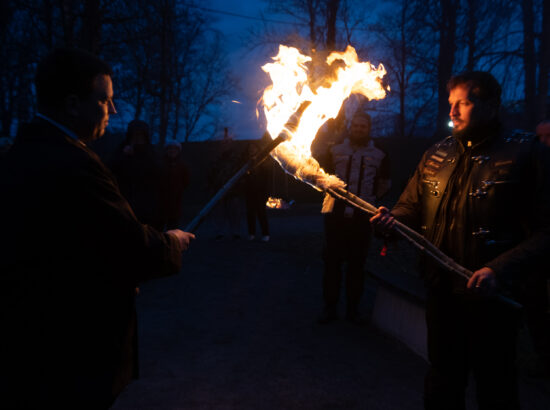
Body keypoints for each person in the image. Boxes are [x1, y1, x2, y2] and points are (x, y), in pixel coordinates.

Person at [0, 48, 194, 409]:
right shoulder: (72, 163)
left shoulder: (23, 154)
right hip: (67, 349)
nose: (113, 110)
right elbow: (129, 247)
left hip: (31, 344)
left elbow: (76, 245)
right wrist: (170, 241)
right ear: (73, 104)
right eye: (105, 100)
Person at [370, 71, 550, 409]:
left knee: (495, 386)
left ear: (491, 106)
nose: (452, 112)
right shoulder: (436, 154)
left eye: (464, 103)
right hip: (442, 292)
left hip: (494, 299)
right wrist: (389, 221)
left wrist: (499, 270)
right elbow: (408, 207)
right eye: (451, 103)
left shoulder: (527, 153)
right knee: (442, 381)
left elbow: (547, 230)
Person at [317, 109, 391, 324]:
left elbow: (385, 184)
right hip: (335, 215)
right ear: (351, 127)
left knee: (357, 265)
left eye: (363, 126)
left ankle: (352, 310)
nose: (359, 129)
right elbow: (322, 177)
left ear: (369, 129)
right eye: (356, 125)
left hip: (363, 218)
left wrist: (368, 200)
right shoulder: (334, 149)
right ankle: (329, 308)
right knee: (332, 263)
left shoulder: (380, 153)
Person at [110, 119, 164, 230]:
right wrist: (124, 155)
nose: (138, 138)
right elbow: (110, 169)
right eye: (135, 135)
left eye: (141, 135)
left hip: (147, 202)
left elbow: (159, 171)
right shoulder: (122, 150)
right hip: (126, 200)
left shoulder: (151, 152)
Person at [159, 140, 190, 230]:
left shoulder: (182, 165)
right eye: (170, 149)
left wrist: (178, 190)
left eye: (174, 149)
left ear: (178, 151)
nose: (172, 151)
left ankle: (172, 243)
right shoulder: (160, 164)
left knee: (173, 226)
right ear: (166, 150)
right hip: (161, 201)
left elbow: (186, 181)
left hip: (175, 201)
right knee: (159, 226)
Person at [244, 140, 271, 242]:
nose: (252, 149)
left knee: (261, 213)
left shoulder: (263, 160)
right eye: (250, 148)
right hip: (249, 191)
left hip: (260, 191)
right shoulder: (245, 161)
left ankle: (265, 234)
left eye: (253, 147)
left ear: (257, 149)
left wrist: (266, 191)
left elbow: (266, 176)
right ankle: (251, 233)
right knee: (250, 213)